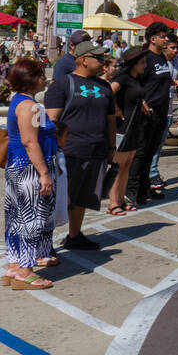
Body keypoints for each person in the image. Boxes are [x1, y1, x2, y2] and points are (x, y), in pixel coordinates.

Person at [44, 41, 116, 250]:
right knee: (60, 199)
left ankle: (74, 235)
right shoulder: (63, 84)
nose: (103, 62)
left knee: (83, 198)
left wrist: (111, 148)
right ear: (83, 60)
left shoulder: (104, 86)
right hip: (69, 152)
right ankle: (45, 241)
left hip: (96, 150)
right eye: (98, 57)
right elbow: (52, 121)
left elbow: (110, 120)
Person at [2, 59, 60, 290]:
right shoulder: (31, 106)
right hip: (30, 168)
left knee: (16, 217)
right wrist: (44, 173)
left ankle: (15, 265)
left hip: (18, 166)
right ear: (32, 79)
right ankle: (25, 272)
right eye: (41, 75)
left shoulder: (19, 101)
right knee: (31, 219)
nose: (44, 78)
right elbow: (30, 141)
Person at [127, 22, 176, 205]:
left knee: (151, 153)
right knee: (141, 153)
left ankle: (145, 189)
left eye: (166, 36)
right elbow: (133, 83)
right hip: (147, 114)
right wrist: (141, 102)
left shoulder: (162, 58)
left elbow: (159, 81)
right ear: (152, 39)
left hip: (161, 113)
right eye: (163, 36)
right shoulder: (144, 58)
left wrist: (173, 83)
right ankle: (132, 191)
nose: (166, 39)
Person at [106, 46, 151, 215]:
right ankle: (112, 204)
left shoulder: (135, 79)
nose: (145, 65)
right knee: (118, 167)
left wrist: (143, 103)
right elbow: (108, 93)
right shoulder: (123, 77)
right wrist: (117, 109)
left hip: (134, 127)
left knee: (126, 167)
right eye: (142, 62)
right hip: (121, 128)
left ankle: (121, 200)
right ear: (133, 63)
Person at [147, 33, 178, 193]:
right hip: (153, 108)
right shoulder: (157, 62)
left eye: (177, 47)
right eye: (172, 47)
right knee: (150, 144)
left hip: (168, 109)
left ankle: (152, 173)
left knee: (159, 143)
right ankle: (150, 173)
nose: (176, 51)